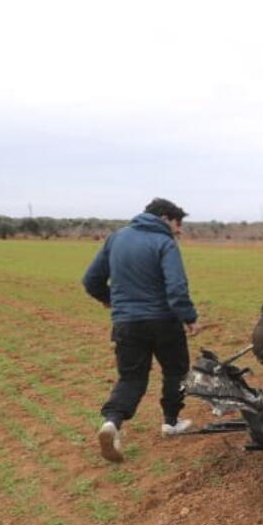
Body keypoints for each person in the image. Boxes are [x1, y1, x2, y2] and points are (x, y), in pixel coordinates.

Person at [82, 198, 202, 463]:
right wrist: (190, 318)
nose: (180, 229)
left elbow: (90, 280)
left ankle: (111, 423)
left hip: (126, 324)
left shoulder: (116, 238)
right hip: (163, 322)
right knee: (176, 371)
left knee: (131, 379)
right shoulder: (164, 243)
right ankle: (171, 422)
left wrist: (112, 301)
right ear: (164, 218)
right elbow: (176, 288)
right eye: (177, 222)